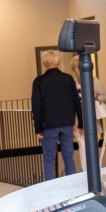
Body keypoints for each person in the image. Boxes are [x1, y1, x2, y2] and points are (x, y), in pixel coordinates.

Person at [31, 50, 83, 181]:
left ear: (44, 63)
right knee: (68, 157)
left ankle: (50, 191)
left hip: (48, 126)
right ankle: (72, 186)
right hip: (67, 124)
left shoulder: (39, 81)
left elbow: (36, 107)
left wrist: (38, 129)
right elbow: (76, 101)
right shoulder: (68, 79)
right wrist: (80, 123)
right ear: (58, 62)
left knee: (49, 159)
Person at [70, 57, 106, 172]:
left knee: (93, 146)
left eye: (81, 67)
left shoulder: (94, 81)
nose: (79, 70)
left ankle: (96, 172)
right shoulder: (71, 82)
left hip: (92, 118)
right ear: (74, 69)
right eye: (77, 68)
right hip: (78, 120)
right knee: (82, 146)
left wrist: (96, 96)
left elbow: (104, 97)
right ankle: (86, 173)